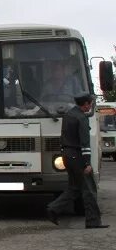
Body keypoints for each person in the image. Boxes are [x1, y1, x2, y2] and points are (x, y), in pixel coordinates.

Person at [46, 92, 108, 229]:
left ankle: (53, 209)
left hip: (67, 156)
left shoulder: (69, 115)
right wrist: (87, 163)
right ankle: (93, 222)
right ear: (85, 104)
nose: (91, 106)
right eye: (90, 104)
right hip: (78, 157)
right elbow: (85, 143)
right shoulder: (81, 118)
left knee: (74, 188)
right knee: (90, 190)